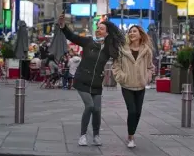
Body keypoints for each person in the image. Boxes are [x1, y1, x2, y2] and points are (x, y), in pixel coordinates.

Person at [58, 14, 125, 146]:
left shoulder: (108, 48)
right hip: (82, 79)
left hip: (96, 83)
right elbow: (72, 36)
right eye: (97, 28)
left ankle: (96, 135)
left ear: (107, 32)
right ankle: (83, 136)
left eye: (101, 28)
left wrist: (108, 39)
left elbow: (119, 53)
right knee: (89, 106)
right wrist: (63, 26)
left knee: (97, 109)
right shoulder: (88, 42)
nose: (98, 30)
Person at [112, 25, 153, 148]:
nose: (131, 33)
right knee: (132, 110)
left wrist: (147, 77)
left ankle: (131, 133)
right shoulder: (122, 50)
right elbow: (116, 66)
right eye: (130, 32)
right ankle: (131, 137)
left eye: (134, 31)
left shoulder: (147, 51)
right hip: (127, 85)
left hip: (140, 85)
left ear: (140, 34)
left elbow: (150, 67)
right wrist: (121, 77)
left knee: (138, 112)